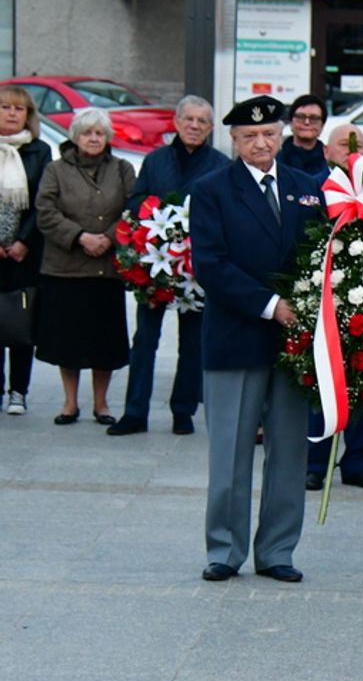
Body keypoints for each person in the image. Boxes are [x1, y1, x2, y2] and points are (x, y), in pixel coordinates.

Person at [191, 95, 325, 583]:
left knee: (289, 451)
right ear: (233, 139)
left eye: (269, 134)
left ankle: (277, 549)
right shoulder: (212, 190)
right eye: (250, 136)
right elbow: (211, 264)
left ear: (282, 135)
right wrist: (272, 306)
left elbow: (321, 258)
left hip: (293, 345)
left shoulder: (307, 187)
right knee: (229, 451)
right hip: (236, 336)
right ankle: (224, 550)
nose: (261, 143)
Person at [106, 95, 229, 437]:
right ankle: (134, 412)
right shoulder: (156, 160)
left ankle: (183, 410)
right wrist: (148, 231)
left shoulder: (220, 164)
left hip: (195, 268)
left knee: (192, 343)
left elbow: (224, 212)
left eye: (202, 121)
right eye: (188, 119)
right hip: (154, 267)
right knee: (145, 338)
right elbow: (135, 201)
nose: (194, 126)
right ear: (176, 122)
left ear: (210, 128)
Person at [35, 107, 135, 426]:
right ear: (75, 137)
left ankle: (102, 404)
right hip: (66, 267)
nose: (93, 138)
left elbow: (133, 208)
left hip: (106, 269)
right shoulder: (56, 169)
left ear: (108, 137)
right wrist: (80, 237)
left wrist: (107, 237)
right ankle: (69, 403)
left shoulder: (122, 168)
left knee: (103, 341)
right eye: (87, 133)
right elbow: (45, 211)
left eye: (99, 133)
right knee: (69, 341)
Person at [304, 123, 363, 493]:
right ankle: (315, 462)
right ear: (326, 150)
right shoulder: (310, 188)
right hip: (323, 298)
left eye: (359, 145)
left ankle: (357, 461)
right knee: (323, 380)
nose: (351, 150)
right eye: (343, 144)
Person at [0, 85, 51, 416]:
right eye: (5, 107)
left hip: (24, 253)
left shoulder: (39, 151)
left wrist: (21, 242)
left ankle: (19, 391)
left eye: (19, 109)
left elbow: (41, 203)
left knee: (20, 323)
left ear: (29, 116)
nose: (12, 113)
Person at [278, 94, 327, 176]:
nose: (307, 122)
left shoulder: (329, 160)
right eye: (301, 117)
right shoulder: (275, 158)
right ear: (290, 122)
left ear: (322, 126)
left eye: (314, 118)